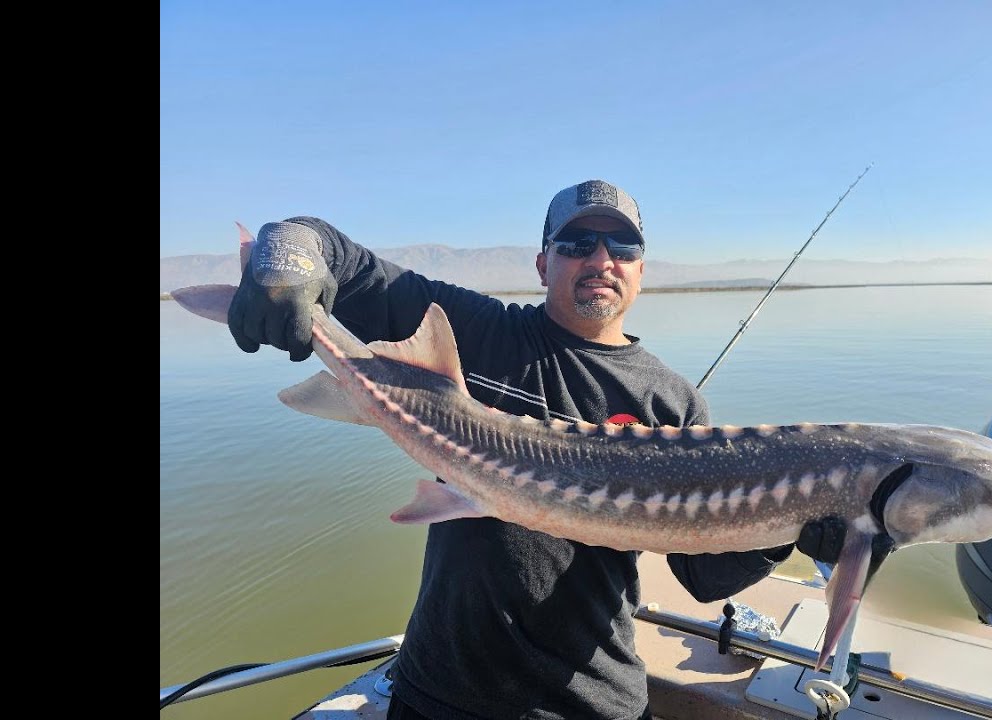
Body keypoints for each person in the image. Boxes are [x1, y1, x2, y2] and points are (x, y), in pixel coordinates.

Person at [226, 179, 851, 720]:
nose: (601, 258)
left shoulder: (671, 405)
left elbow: (702, 576)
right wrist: (289, 257)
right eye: (577, 244)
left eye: (622, 245)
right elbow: (341, 258)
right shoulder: (483, 336)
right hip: (441, 690)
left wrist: (785, 527)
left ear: (640, 268)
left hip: (593, 700)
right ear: (542, 263)